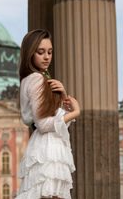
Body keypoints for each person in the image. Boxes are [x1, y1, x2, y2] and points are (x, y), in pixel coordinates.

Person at [15, 29, 81, 199]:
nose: (47, 57)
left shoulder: (33, 79)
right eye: (41, 52)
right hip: (48, 148)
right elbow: (44, 124)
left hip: (47, 146)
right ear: (30, 54)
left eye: (50, 52)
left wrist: (63, 97)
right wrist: (75, 112)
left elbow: (53, 119)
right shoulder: (37, 79)